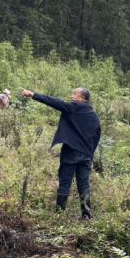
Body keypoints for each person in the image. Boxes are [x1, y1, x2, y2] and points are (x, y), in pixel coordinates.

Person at [20, 87, 101, 219]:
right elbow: (97, 136)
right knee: (84, 184)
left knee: (64, 183)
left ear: (82, 99)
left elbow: (56, 102)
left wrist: (33, 94)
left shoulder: (74, 107)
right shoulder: (94, 115)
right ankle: (86, 215)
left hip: (71, 153)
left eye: (74, 94)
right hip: (86, 155)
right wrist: (90, 153)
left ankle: (59, 214)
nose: (71, 96)